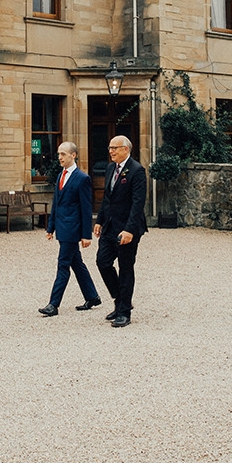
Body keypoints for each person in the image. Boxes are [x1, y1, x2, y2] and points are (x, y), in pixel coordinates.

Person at [39, 142, 102, 316]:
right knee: (77, 263)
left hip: (72, 230)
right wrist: (50, 227)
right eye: (59, 154)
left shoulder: (82, 178)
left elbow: (85, 208)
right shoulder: (60, 175)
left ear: (73, 155)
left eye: (63, 154)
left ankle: (53, 304)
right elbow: (56, 205)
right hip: (62, 228)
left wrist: (85, 235)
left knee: (63, 265)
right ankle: (92, 296)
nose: (59, 157)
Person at [94, 135, 148, 327]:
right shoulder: (110, 168)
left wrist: (129, 230)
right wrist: (99, 220)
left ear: (126, 149)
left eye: (115, 148)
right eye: (110, 148)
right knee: (102, 262)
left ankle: (123, 312)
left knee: (126, 268)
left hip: (127, 229)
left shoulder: (137, 171)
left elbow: (137, 204)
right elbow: (107, 198)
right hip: (109, 226)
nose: (111, 151)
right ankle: (120, 299)